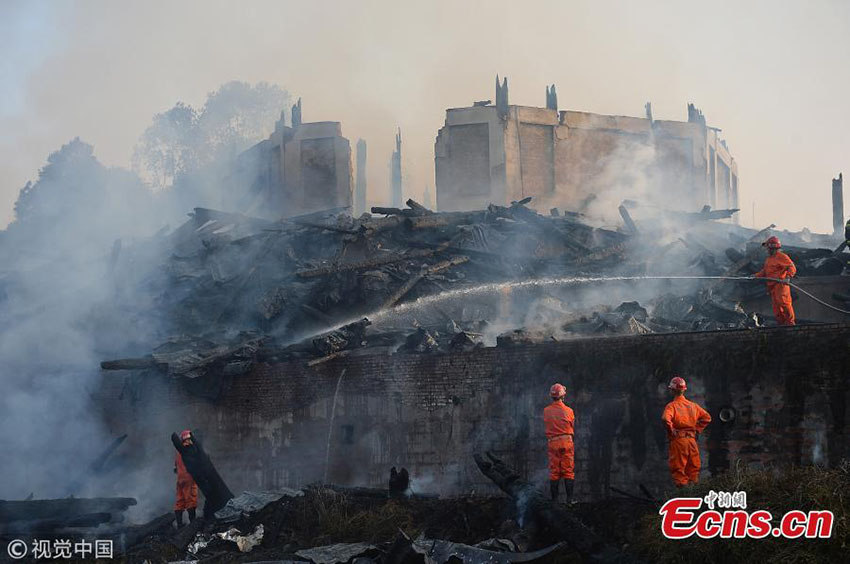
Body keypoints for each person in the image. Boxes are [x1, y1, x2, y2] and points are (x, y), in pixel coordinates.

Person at [661, 377, 711, 488]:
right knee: (693, 470)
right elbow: (707, 418)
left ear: (672, 390)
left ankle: (683, 498)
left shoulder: (672, 406)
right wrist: (697, 430)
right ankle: (693, 496)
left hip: (679, 441)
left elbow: (665, 419)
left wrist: (671, 430)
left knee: (679, 471)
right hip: (692, 442)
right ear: (684, 390)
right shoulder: (693, 406)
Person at [754, 236, 797, 326]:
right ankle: (781, 324)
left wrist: (788, 277)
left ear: (772, 248)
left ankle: (790, 324)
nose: (767, 250)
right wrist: (755, 276)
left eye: (768, 248)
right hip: (772, 286)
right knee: (776, 307)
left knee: (784, 304)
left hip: (781, 285)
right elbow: (765, 271)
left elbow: (791, 267)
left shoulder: (782, 256)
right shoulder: (769, 259)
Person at [543, 383, 575, 503]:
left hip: (553, 442)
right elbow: (572, 425)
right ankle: (570, 500)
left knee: (554, 472)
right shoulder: (569, 411)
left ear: (552, 396)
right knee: (568, 471)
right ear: (563, 396)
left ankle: (554, 501)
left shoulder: (546, 411)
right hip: (567, 441)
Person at [174, 429, 199, 527]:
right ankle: (193, 524)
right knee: (191, 500)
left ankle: (179, 525)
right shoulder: (190, 449)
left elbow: (175, 468)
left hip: (180, 479)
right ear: (188, 439)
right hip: (189, 478)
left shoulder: (178, 452)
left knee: (180, 500)